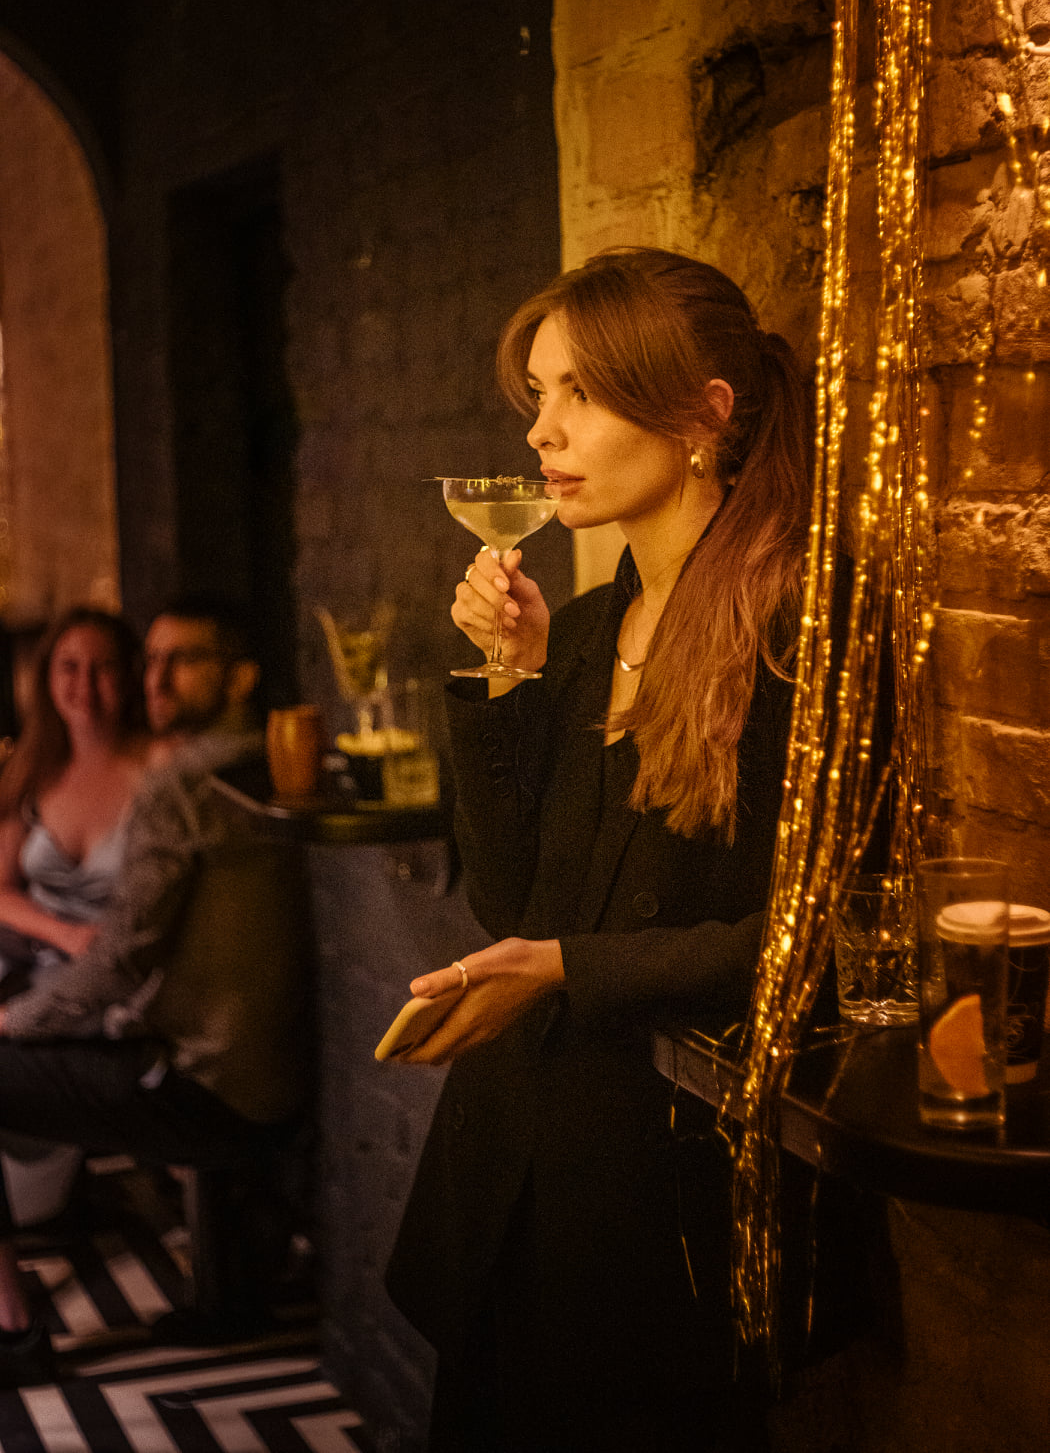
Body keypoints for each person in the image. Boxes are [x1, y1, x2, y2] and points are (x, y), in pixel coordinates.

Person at [386, 250, 841, 1452]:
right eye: (540, 395)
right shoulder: (587, 629)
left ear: (704, 416)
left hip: (661, 1209)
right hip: (511, 1184)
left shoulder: (800, 631)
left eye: (580, 394)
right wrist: (509, 679)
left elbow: (825, 942)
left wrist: (568, 973)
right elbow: (508, 901)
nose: (543, 431)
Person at [0, 595, 310, 1382]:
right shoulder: (265, 760)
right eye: (154, 660)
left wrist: (11, 1025)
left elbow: (120, 961)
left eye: (184, 660)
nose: (156, 678)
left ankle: (11, 1327)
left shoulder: (182, 783)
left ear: (240, 677)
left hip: (200, 1081)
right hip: (257, 1070)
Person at [0, 607, 151, 983]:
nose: (85, 685)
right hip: (31, 963)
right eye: (69, 667)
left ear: (129, 676)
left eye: (104, 668)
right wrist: (65, 934)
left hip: (120, 976)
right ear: (47, 678)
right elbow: (1, 889)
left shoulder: (156, 771)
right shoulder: (32, 769)